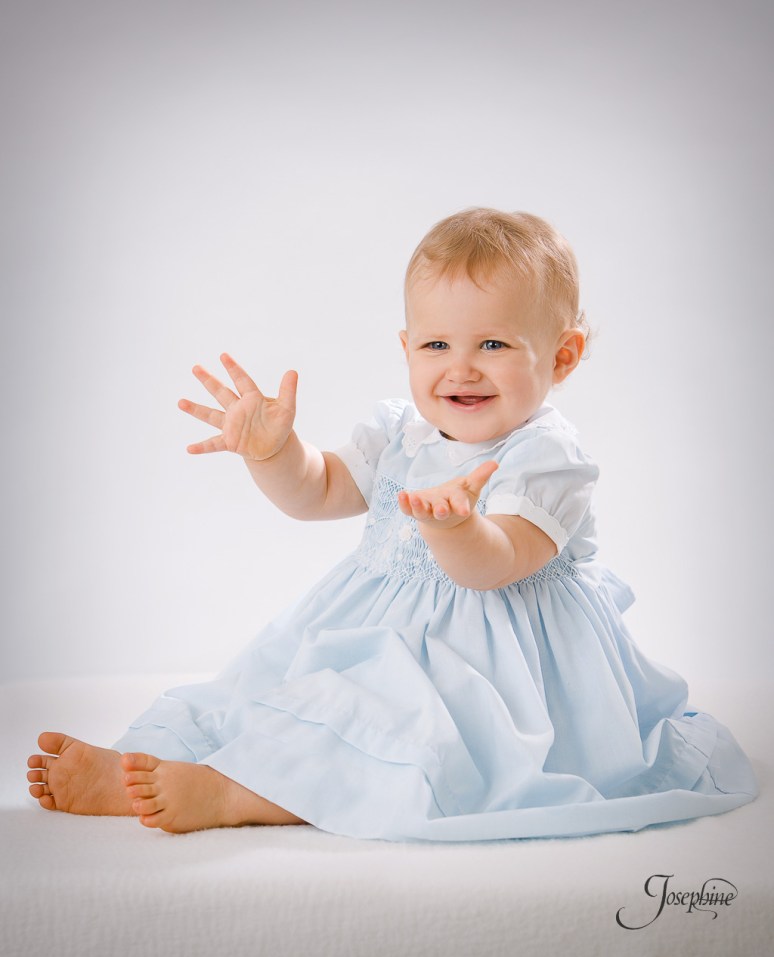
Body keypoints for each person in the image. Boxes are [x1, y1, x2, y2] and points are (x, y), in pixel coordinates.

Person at [27, 208, 757, 841]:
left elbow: (495, 562)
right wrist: (277, 452)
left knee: (402, 728)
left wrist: (457, 529)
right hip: (382, 638)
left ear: (561, 355)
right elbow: (320, 492)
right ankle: (168, 769)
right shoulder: (402, 433)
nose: (461, 368)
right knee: (293, 698)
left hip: (498, 679)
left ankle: (233, 794)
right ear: (406, 348)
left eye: (493, 345)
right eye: (437, 345)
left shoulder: (546, 457)